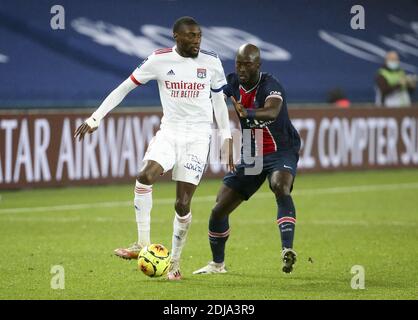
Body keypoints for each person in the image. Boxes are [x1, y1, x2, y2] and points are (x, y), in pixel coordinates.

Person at [74, 16, 233, 280]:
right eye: (191, 36)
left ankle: (175, 263)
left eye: (199, 36)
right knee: (144, 176)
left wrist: (226, 138)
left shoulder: (211, 62)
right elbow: (124, 87)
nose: (197, 40)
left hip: (197, 138)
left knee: (182, 204)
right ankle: (142, 244)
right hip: (169, 133)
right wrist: (95, 118)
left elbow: (219, 101)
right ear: (176, 37)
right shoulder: (159, 60)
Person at [193, 43, 301, 275]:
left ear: (258, 65)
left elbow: (272, 112)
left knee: (280, 186)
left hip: (281, 149)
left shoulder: (271, 85)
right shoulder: (232, 82)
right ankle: (217, 265)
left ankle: (287, 250)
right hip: (253, 153)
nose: (241, 68)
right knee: (219, 210)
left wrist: (247, 113)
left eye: (247, 64)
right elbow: (211, 97)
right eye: (238, 63)